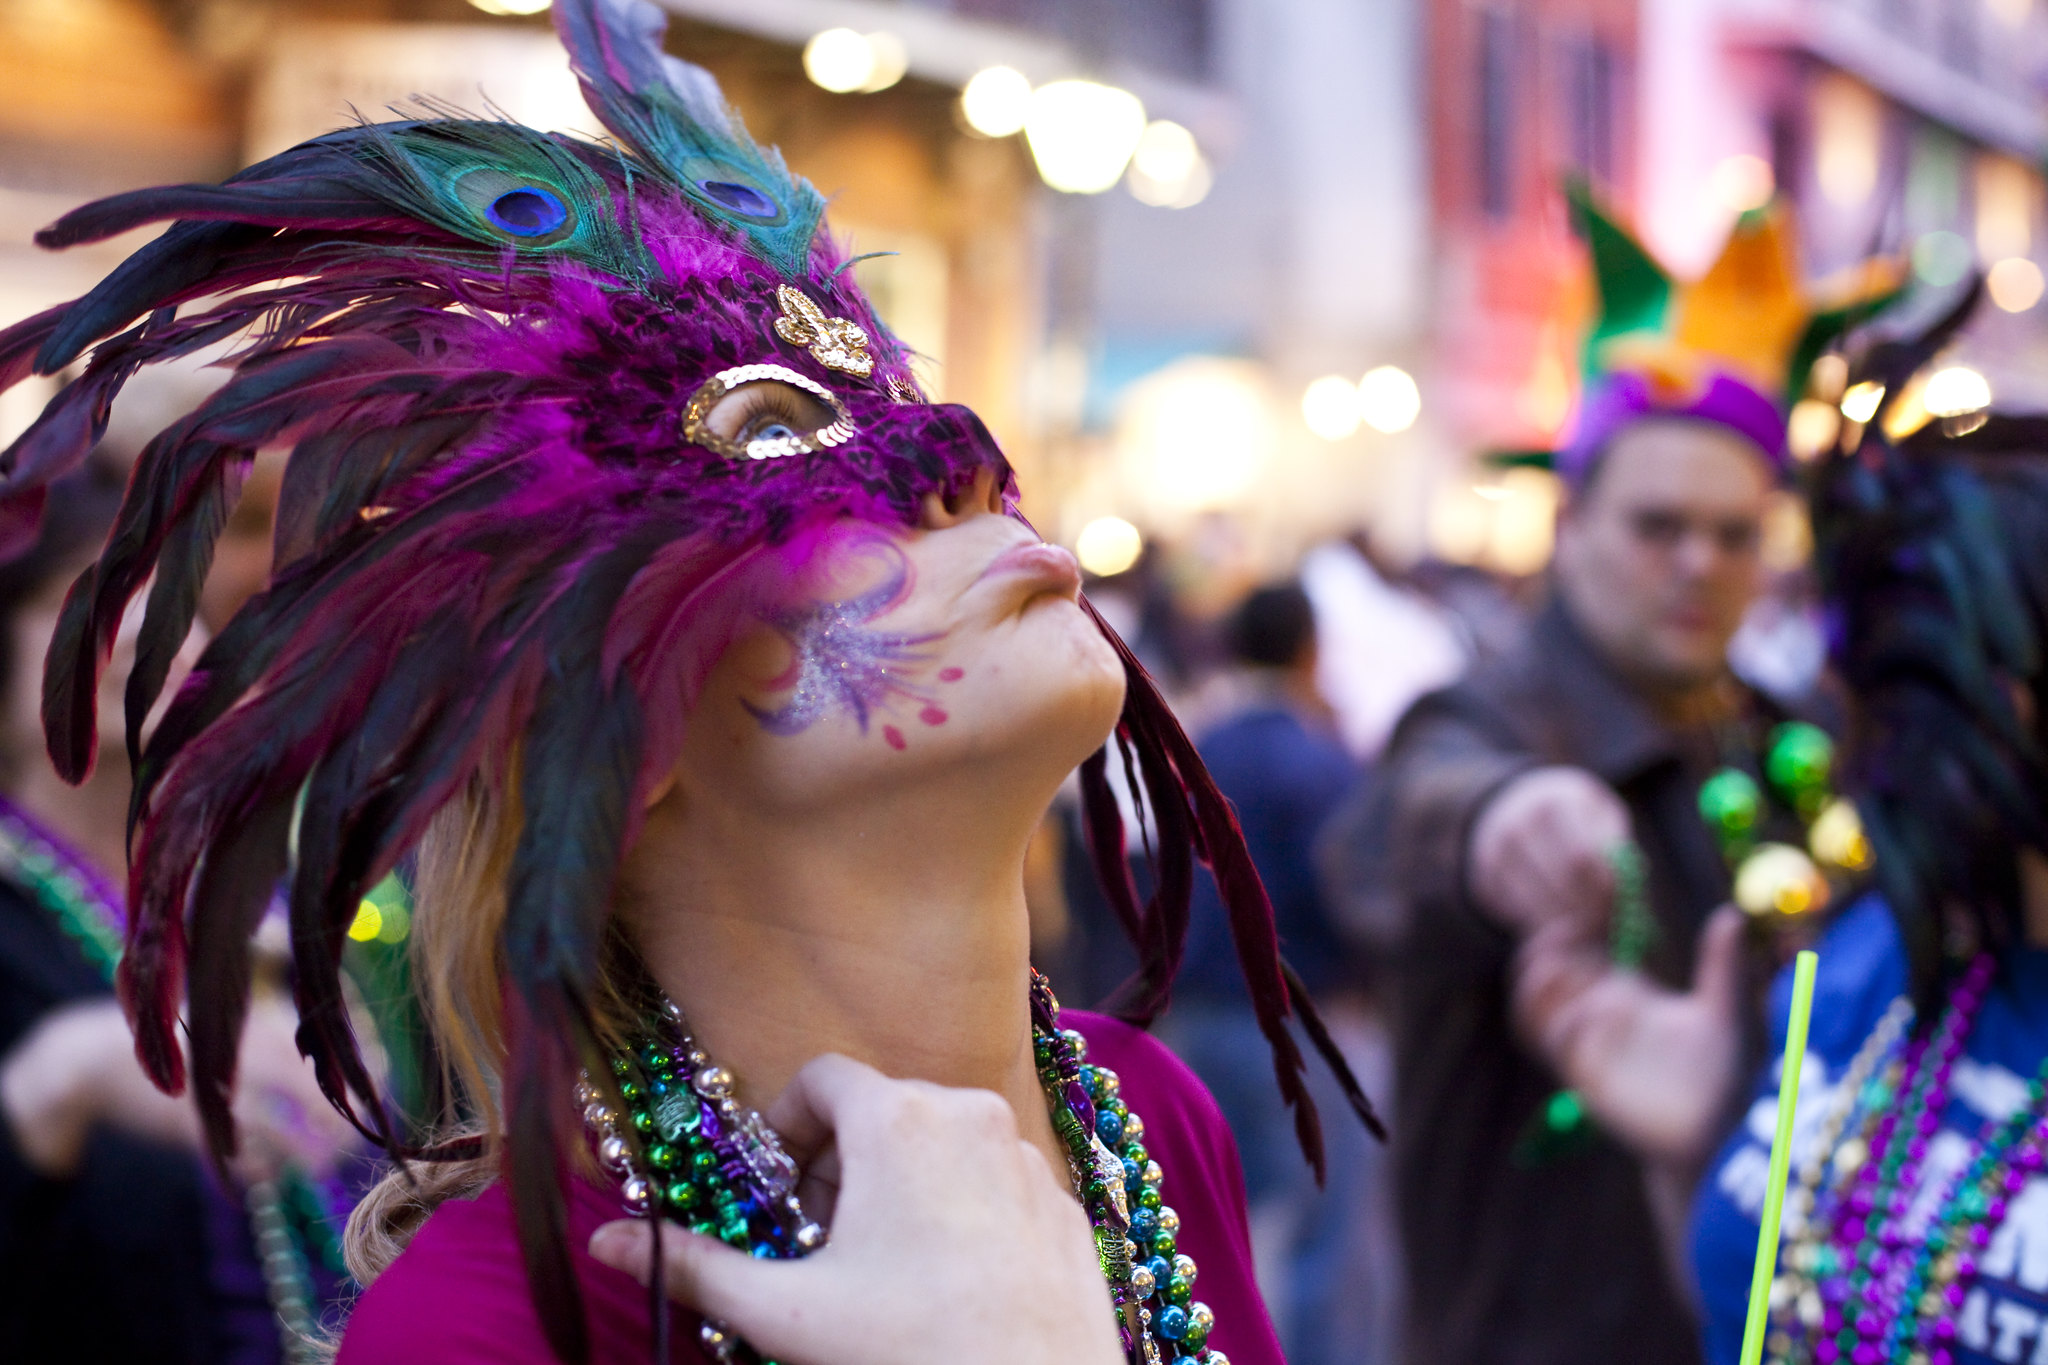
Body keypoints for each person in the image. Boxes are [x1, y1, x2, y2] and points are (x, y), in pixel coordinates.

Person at [0, 3, 1376, 1363]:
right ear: (620, 731)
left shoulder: (1148, 1114)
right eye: (776, 434)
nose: (959, 456)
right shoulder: (492, 1325)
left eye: (903, 403)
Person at [1370, 188, 1896, 1365]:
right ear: (1570, 523)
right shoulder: (1486, 718)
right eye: (1658, 526)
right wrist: (1498, 824)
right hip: (1531, 1330)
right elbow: (1402, 825)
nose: (1697, 563)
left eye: (1733, 532)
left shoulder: (1793, 737)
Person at [0, 463, 356, 1363]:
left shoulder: (255, 899)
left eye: (171, 601)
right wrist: (52, 1088)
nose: (140, 638)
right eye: (84, 604)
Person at [1161, 582, 1392, 1362]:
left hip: (1194, 1017)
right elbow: (1355, 895)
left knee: (1210, 1227)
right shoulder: (1320, 759)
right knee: (1324, 1234)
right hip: (1293, 1023)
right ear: (1308, 648)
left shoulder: (1198, 743)